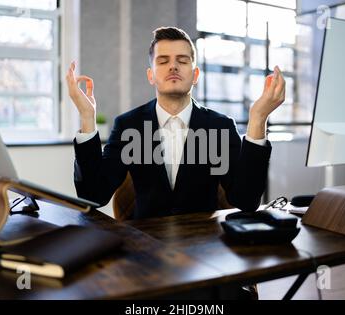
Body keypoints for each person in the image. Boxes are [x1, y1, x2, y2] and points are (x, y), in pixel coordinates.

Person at [66, 26, 285, 220]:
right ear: (151, 75)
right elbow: (93, 195)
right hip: (145, 247)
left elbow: (246, 200)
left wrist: (258, 119)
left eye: (182, 60)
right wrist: (87, 117)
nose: (173, 67)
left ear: (195, 74)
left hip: (204, 246)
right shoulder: (128, 125)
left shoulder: (220, 126)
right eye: (163, 61)